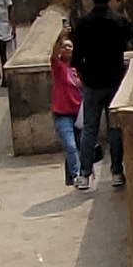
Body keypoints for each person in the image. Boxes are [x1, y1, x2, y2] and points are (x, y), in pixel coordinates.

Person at [71, 0, 132, 189]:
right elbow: (128, 36)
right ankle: (116, 171)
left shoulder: (84, 23)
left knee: (90, 129)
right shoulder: (117, 21)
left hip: (92, 81)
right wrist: (122, 8)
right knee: (115, 129)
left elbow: (77, 56)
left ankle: (84, 174)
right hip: (114, 80)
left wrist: (83, 77)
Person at [51, 32, 85, 190]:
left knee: (78, 148)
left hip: (78, 113)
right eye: (64, 47)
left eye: (69, 46)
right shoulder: (59, 67)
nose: (67, 49)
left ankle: (72, 176)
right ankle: (77, 175)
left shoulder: (79, 69)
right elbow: (53, 54)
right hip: (62, 114)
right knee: (71, 146)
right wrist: (59, 38)